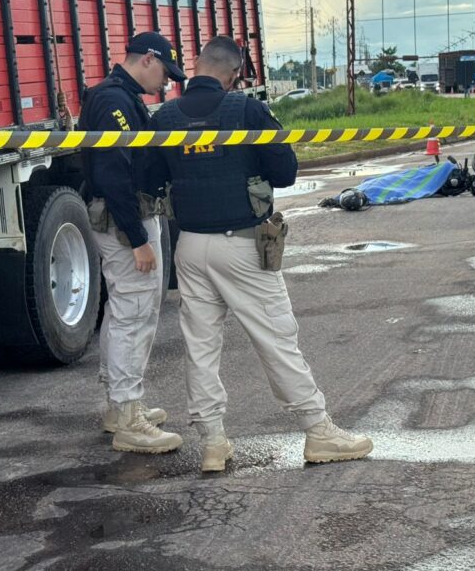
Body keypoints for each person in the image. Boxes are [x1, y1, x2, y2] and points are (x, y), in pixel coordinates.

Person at [151, 36, 373, 472]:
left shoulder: (167, 115)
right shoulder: (247, 111)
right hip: (242, 244)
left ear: (196, 67)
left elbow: (152, 173)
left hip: (190, 244)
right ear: (234, 74)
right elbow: (285, 171)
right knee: (276, 338)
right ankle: (318, 430)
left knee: (200, 346)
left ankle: (213, 443)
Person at [78, 31, 187, 455]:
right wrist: (139, 239)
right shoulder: (114, 101)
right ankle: (128, 417)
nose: (165, 82)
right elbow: (112, 175)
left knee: (125, 308)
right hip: (126, 221)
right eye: (164, 71)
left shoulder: (118, 96)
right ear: (147, 60)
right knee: (135, 311)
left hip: (126, 217)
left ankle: (120, 404)